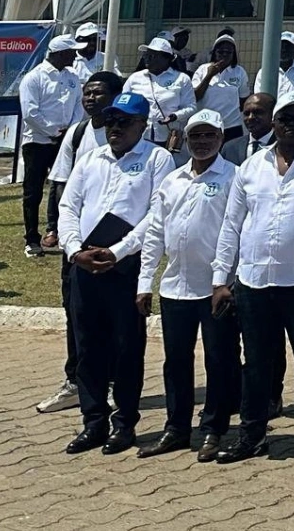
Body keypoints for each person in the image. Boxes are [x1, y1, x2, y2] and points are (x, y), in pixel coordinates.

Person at [211, 94, 294, 467]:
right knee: (256, 363)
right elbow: (231, 225)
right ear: (272, 123)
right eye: (285, 117)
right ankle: (252, 435)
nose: (292, 123)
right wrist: (221, 278)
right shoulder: (251, 167)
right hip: (254, 280)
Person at [57, 92, 174, 453]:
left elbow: (157, 216)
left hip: (125, 267)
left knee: (126, 347)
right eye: (111, 121)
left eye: (124, 122)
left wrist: (118, 250)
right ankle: (93, 421)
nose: (115, 128)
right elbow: (68, 205)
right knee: (88, 346)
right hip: (84, 265)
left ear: (143, 124)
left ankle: (124, 423)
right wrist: (75, 250)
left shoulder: (158, 159)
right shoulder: (91, 159)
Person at [133, 109, 242, 461]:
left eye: (209, 135)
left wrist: (223, 281)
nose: (201, 142)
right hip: (175, 287)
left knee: (219, 359)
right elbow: (154, 233)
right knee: (176, 361)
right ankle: (177, 428)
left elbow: (235, 231)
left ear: (221, 138)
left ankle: (214, 428)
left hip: (216, 288)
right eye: (195, 136)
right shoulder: (173, 180)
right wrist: (144, 281)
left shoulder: (234, 178)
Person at [36, 68, 123, 415]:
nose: (89, 98)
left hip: (117, 245)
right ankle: (76, 382)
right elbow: (59, 183)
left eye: (98, 93)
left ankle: (116, 383)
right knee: (76, 314)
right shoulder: (77, 133)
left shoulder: (131, 135)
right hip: (77, 242)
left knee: (116, 316)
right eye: (86, 93)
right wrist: (53, 226)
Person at [19, 35, 83, 258]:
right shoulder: (34, 78)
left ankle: (59, 231)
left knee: (64, 188)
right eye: (71, 51)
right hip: (37, 142)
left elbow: (78, 105)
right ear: (58, 53)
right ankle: (31, 239)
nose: (75, 55)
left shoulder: (73, 77)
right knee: (33, 192)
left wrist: (70, 132)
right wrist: (53, 132)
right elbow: (30, 113)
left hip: (64, 142)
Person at [125, 35, 194, 144]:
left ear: (166, 59)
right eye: (146, 55)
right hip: (139, 134)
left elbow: (191, 107)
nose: (147, 58)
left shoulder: (182, 79)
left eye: (152, 55)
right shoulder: (134, 78)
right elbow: (124, 103)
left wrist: (174, 116)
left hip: (168, 136)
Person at [194, 34, 249, 137]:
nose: (224, 55)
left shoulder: (239, 72)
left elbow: (243, 99)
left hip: (232, 126)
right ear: (214, 53)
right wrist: (209, 75)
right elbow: (195, 97)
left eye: (228, 52)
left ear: (234, 55)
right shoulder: (202, 69)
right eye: (220, 52)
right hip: (207, 123)